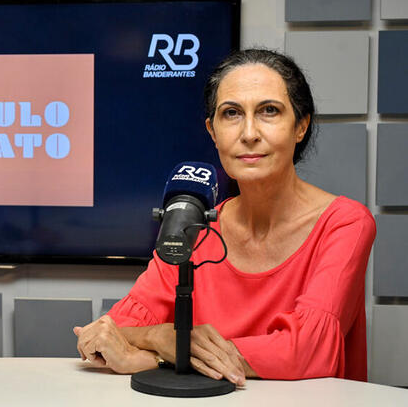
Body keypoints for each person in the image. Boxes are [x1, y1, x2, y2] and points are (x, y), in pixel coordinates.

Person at [74, 48, 375, 385]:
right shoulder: (195, 221)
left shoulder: (345, 223)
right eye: (231, 113)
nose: (249, 133)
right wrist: (162, 339)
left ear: (301, 126)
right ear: (212, 130)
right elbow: (115, 329)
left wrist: (167, 353)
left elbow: (308, 349)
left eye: (269, 111)